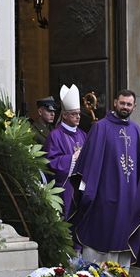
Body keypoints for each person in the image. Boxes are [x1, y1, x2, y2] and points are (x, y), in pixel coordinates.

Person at [71, 89, 140, 272]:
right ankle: (94, 276)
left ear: (134, 106)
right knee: (101, 233)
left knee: (123, 239)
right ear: (115, 102)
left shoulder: (136, 130)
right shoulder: (100, 127)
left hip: (129, 199)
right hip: (104, 196)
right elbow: (90, 162)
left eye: (129, 104)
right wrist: (87, 191)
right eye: (122, 103)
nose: (125, 107)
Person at [44, 84, 87, 219]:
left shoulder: (83, 134)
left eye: (79, 114)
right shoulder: (55, 135)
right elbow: (50, 162)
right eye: (74, 114)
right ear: (64, 115)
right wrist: (72, 159)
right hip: (65, 187)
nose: (78, 117)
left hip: (82, 186)